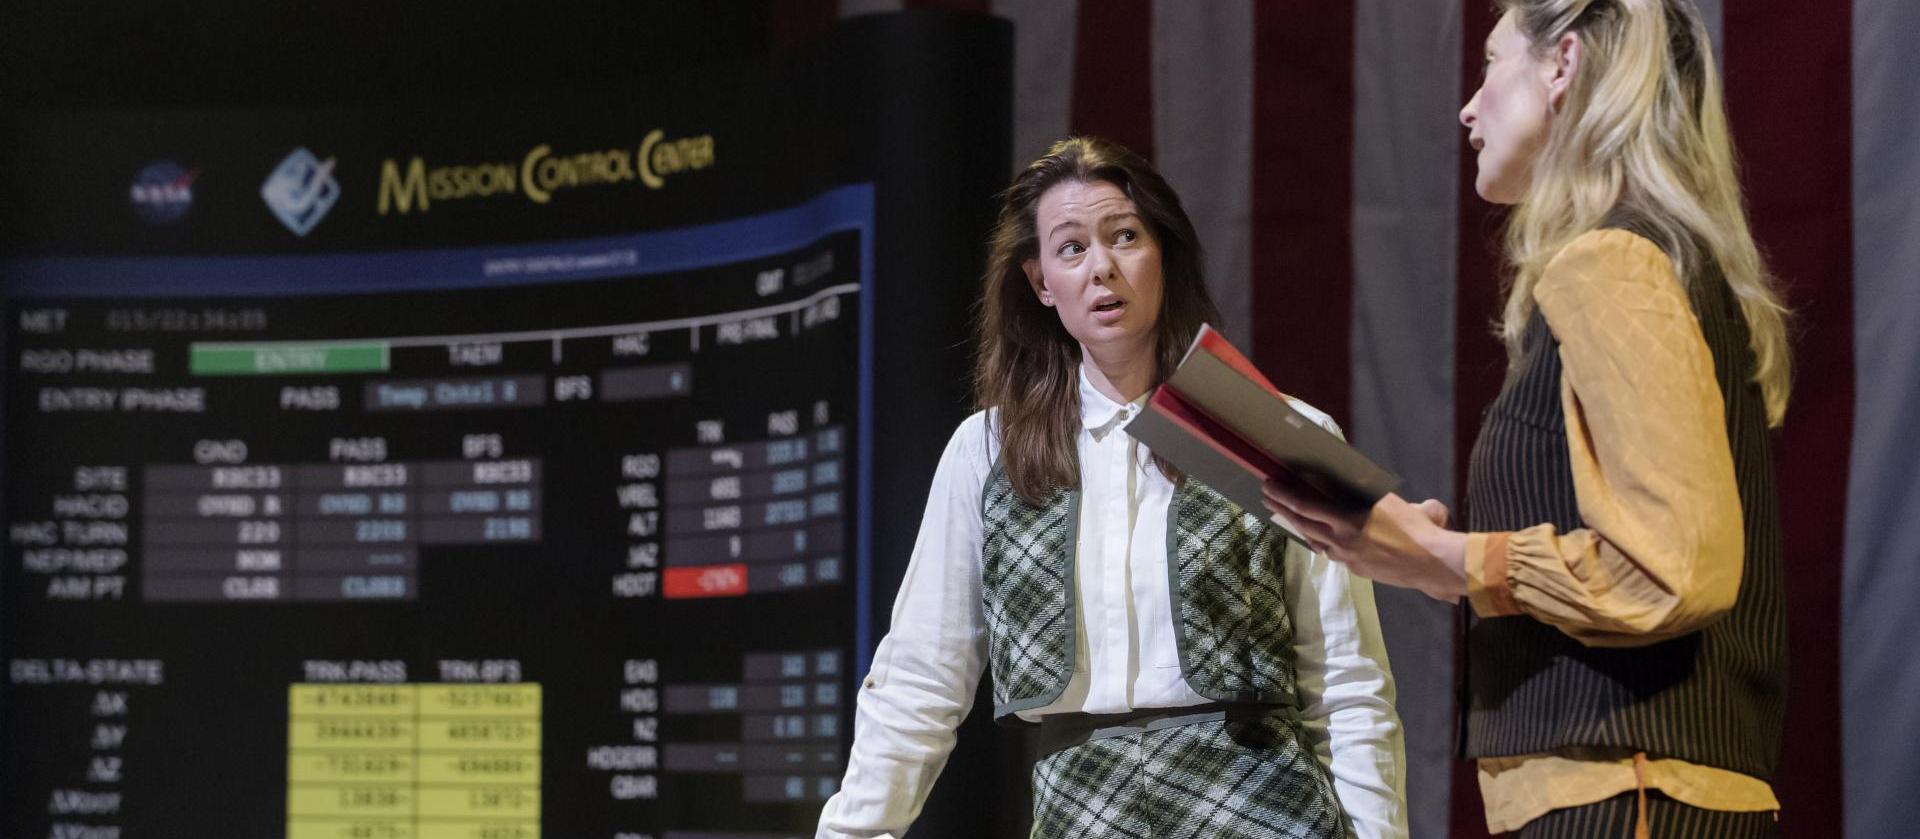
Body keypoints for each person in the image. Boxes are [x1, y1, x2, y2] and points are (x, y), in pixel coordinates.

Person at [1262, 1, 1791, 836]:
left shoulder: (1611, 261)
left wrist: (1448, 557)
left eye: (1490, 63)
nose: (1468, 107)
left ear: (1562, 64)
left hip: (1626, 794)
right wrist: (1438, 564)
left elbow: (1673, 565)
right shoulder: (1650, 260)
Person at [817, 137, 1406, 839]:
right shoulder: (988, 450)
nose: (1102, 267)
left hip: (1265, 811)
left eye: (1125, 236)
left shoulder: (1280, 431)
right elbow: (921, 674)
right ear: (1041, 282)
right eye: (1071, 248)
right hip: (1080, 814)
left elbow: (1347, 683)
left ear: (1163, 254)